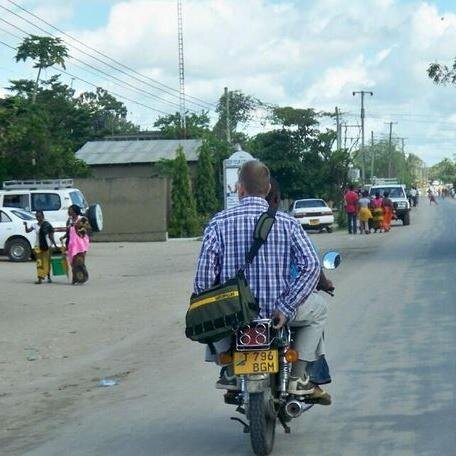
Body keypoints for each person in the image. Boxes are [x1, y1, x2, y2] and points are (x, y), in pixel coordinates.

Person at [194, 161, 326, 403]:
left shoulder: (218, 223)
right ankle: (297, 377)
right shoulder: (288, 223)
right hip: (278, 314)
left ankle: (230, 368)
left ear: (239, 189)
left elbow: (203, 282)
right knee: (319, 310)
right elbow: (311, 266)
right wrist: (286, 307)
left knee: (208, 310)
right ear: (267, 191)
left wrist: (218, 302)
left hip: (235, 316)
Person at [24, 210, 57, 284]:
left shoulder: (47, 224)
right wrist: (25, 225)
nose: (38, 218)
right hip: (38, 246)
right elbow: (27, 231)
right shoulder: (34, 225)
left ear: (43, 216)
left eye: (39, 216)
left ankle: (48, 277)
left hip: (47, 245)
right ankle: (40, 278)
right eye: (37, 216)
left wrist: (54, 245)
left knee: (47, 262)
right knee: (39, 262)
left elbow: (51, 236)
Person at [60, 205, 91, 284]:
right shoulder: (69, 220)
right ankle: (75, 278)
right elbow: (68, 231)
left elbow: (87, 230)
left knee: (80, 262)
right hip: (72, 244)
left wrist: (78, 228)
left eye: (70, 210)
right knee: (73, 262)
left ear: (74, 211)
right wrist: (63, 237)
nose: (68, 211)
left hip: (80, 244)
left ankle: (83, 277)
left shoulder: (82, 219)